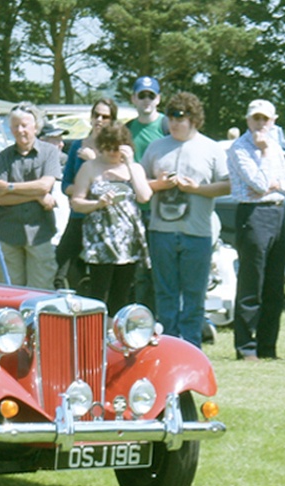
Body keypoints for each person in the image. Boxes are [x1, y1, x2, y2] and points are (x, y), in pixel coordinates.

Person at [141, 92, 231, 348]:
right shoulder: (156, 147)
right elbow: (139, 185)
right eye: (171, 116)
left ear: (194, 119)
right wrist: (159, 184)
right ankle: (169, 347)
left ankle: (192, 348)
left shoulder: (211, 148)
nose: (175, 122)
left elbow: (227, 185)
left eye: (180, 117)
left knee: (194, 297)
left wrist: (197, 189)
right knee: (165, 295)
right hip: (162, 231)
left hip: (197, 233)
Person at [227, 99, 285, 360]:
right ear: (247, 120)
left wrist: (274, 179)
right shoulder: (240, 148)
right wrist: (266, 154)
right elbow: (258, 183)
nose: (260, 124)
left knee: (274, 284)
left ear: (273, 120)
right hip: (253, 214)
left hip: (277, 212)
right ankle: (246, 347)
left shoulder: (276, 145)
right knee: (251, 283)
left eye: (265, 119)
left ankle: (268, 347)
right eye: (256, 118)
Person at [70, 124, 151, 316]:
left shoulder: (135, 168)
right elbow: (76, 203)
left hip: (127, 241)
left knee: (122, 294)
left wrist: (130, 163)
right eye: (108, 147)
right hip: (100, 239)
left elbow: (144, 196)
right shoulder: (89, 168)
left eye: (117, 148)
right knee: (99, 292)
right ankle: (95, 335)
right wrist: (97, 204)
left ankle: (117, 335)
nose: (112, 153)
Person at [0, 102, 61, 289]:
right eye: (15, 126)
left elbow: (45, 185)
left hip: (40, 233)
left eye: (25, 125)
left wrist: (11, 187)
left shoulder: (49, 152)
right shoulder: (3, 157)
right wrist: (37, 195)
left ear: (36, 127)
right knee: (9, 291)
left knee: (41, 291)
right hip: (8, 233)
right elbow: (0, 198)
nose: (20, 130)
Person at [53, 98, 117, 290]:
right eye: (96, 115)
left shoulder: (115, 149)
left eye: (105, 117)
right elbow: (66, 184)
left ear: (112, 121)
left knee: (100, 278)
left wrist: (94, 160)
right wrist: (81, 192)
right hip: (79, 217)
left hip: (104, 220)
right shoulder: (78, 146)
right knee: (59, 267)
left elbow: (116, 183)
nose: (99, 120)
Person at [126, 76, 169, 311]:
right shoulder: (127, 130)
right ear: (133, 98)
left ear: (158, 99)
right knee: (138, 272)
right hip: (133, 210)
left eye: (150, 95)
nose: (146, 100)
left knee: (160, 269)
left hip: (162, 210)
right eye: (141, 95)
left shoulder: (166, 126)